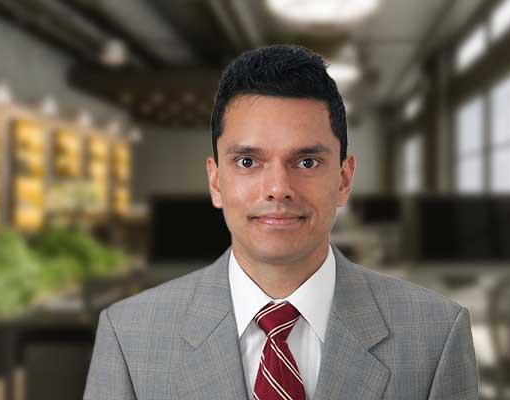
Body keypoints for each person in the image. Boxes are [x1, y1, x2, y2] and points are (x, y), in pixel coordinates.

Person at [84, 44, 478, 400]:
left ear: (343, 180)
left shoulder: (436, 334)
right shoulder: (129, 336)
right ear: (216, 181)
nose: (278, 189)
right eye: (248, 162)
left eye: (306, 162)